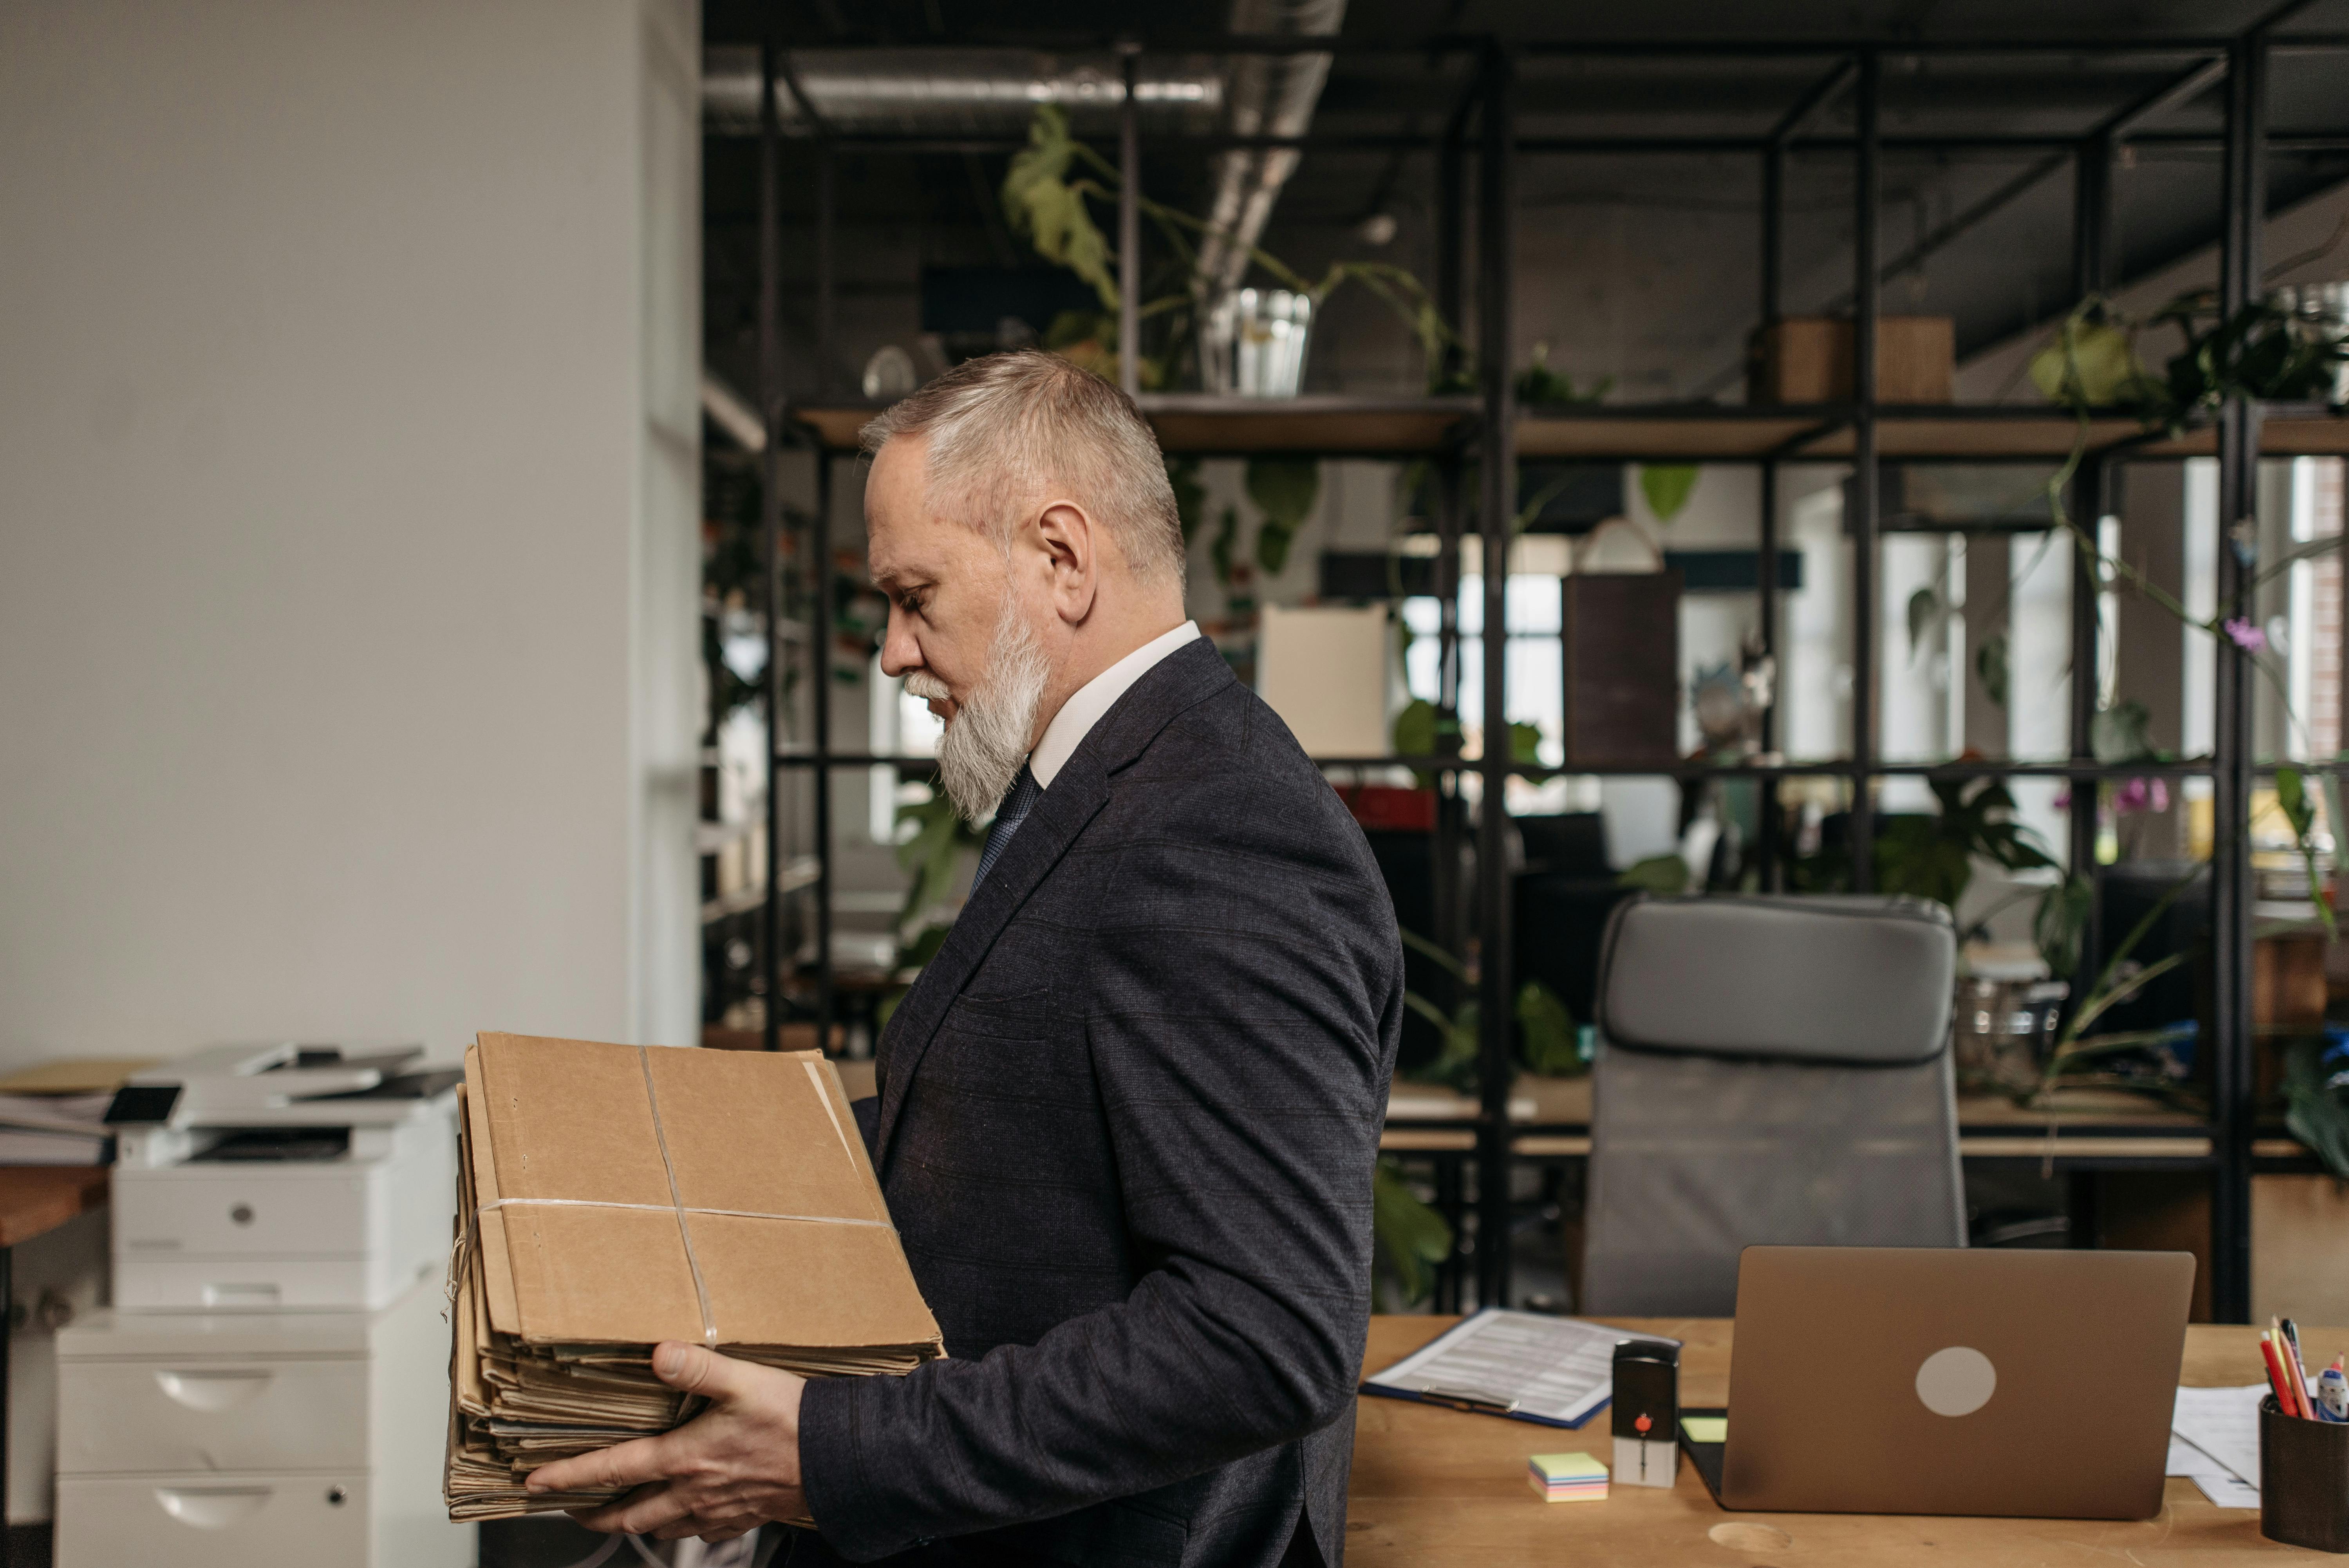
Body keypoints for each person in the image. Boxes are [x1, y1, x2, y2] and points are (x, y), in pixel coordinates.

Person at [527, 351, 1403, 1566]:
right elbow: (1046, 1120)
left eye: (913, 593)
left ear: (1061, 556)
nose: (891, 649)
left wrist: (838, 1450)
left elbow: (1264, 1332)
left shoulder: (1219, 828)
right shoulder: (1102, 783)